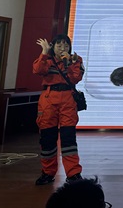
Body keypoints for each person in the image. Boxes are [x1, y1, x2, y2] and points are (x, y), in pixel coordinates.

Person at [33, 34, 85, 185]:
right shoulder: (47, 59)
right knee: (47, 138)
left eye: (66, 45)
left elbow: (75, 78)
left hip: (68, 99)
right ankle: (47, 173)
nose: (63, 48)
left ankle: (73, 173)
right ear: (53, 46)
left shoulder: (76, 60)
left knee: (69, 138)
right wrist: (44, 52)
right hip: (49, 99)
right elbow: (38, 70)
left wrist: (70, 63)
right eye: (59, 45)